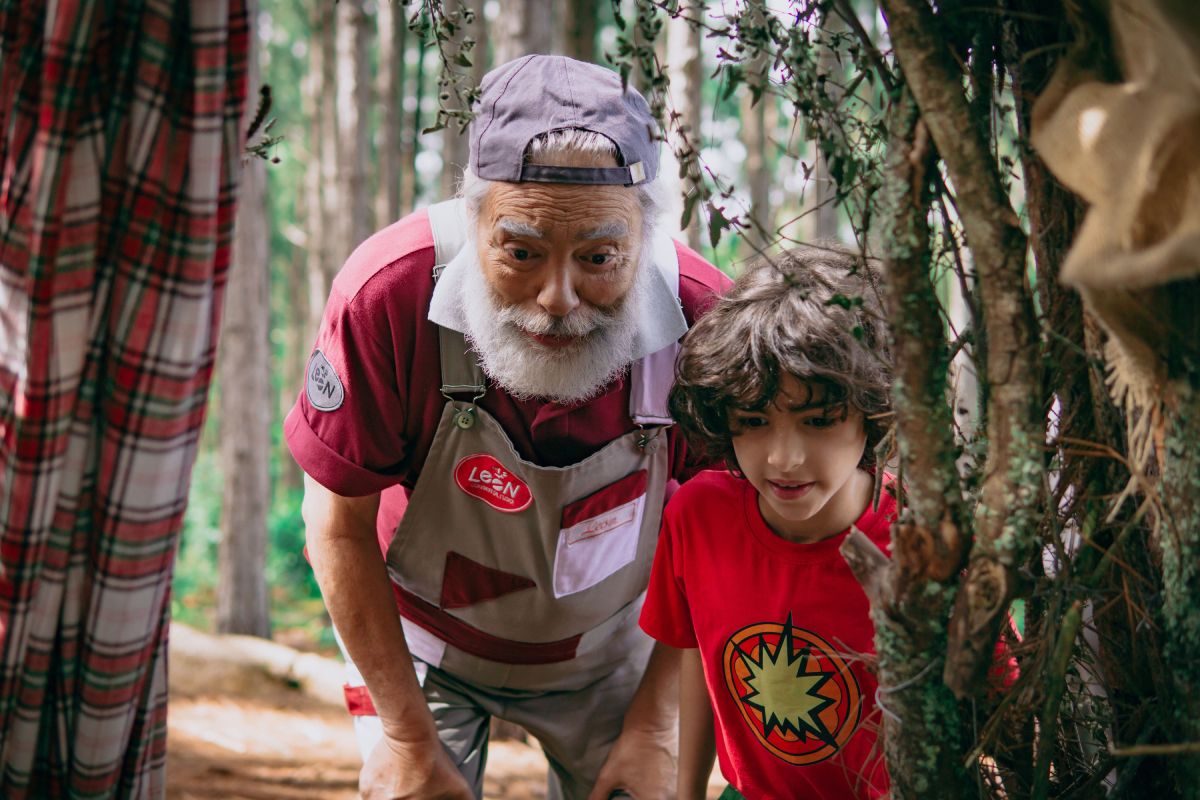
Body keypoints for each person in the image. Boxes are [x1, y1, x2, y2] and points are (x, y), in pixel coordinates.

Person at [285, 55, 730, 800]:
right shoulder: (388, 295)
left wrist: (656, 728)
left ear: (646, 236)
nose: (558, 298)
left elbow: (722, 547)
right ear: (473, 217)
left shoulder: (702, 322)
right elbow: (335, 527)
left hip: (617, 646)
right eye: (521, 252)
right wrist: (404, 736)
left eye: (599, 258)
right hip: (418, 642)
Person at [639, 246, 895, 799]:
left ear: (872, 412)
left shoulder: (920, 540)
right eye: (752, 421)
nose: (782, 459)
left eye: (819, 421)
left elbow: (996, 703)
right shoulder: (698, 519)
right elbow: (697, 660)